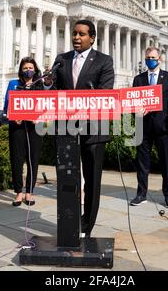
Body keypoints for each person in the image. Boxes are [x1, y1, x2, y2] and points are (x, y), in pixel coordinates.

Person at [44, 19, 114, 237]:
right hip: (66, 129)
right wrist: (47, 83)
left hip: (93, 129)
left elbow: (104, 92)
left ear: (92, 38)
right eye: (74, 33)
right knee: (67, 176)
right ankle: (69, 219)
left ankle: (87, 225)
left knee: (92, 180)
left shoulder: (104, 61)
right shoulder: (61, 60)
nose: (76, 37)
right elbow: (54, 89)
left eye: (82, 34)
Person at [130, 46, 168, 208]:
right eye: (147, 57)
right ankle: (141, 194)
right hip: (143, 127)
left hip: (163, 128)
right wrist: (136, 112)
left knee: (166, 164)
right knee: (142, 164)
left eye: (152, 57)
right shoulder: (139, 79)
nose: (149, 60)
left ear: (160, 59)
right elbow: (132, 103)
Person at [3, 57, 45, 207]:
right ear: (21, 70)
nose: (28, 70)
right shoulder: (13, 84)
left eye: (31, 67)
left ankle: (29, 192)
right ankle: (18, 192)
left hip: (35, 128)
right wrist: (13, 118)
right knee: (17, 160)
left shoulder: (40, 85)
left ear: (35, 69)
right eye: (25, 68)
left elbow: (46, 106)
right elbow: (6, 107)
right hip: (17, 127)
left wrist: (39, 118)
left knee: (33, 160)